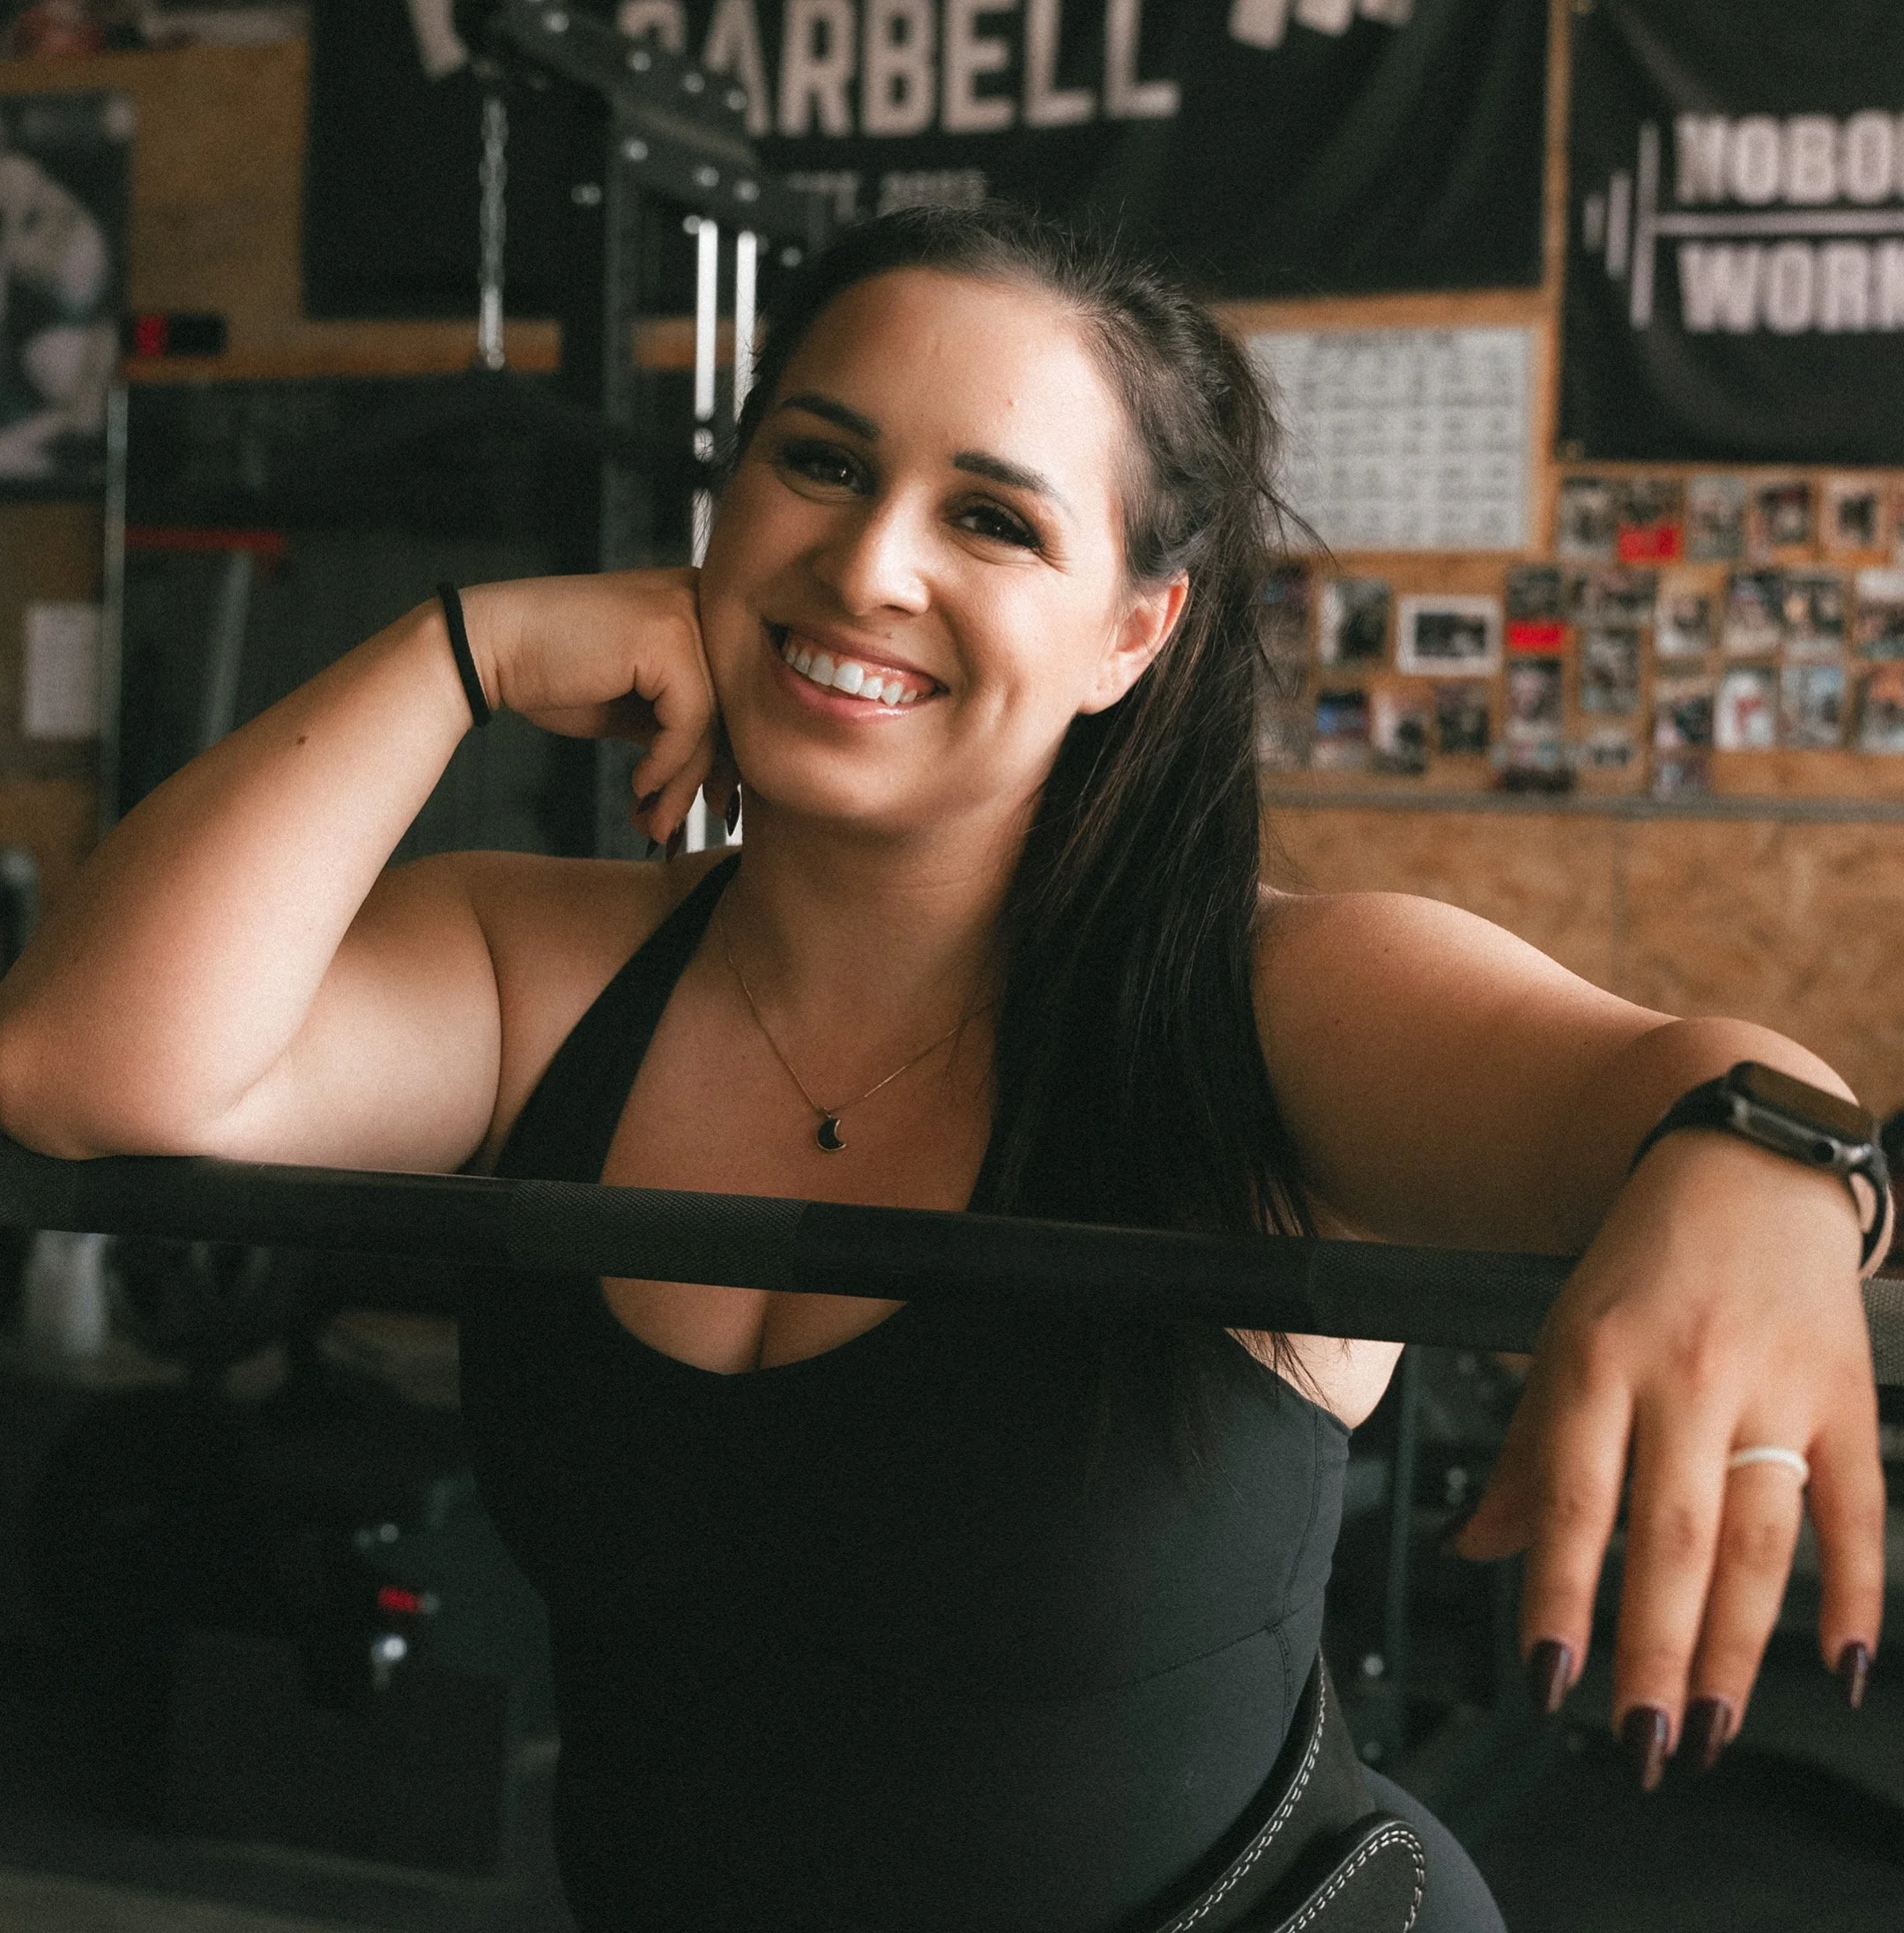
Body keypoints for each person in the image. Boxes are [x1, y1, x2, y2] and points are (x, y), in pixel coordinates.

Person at [0, 207, 1885, 1933]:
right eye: (817, 462)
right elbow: (82, 1072)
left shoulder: (1263, 999)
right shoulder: (535, 965)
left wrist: (1769, 1168)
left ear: (1134, 630)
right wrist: (456, 651)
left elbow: (1682, 1083)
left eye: (994, 518)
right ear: (722, 511)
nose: (870, 561)